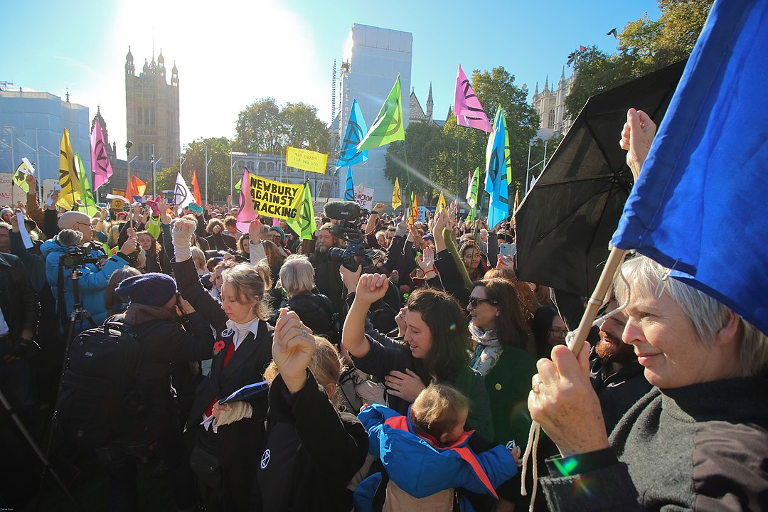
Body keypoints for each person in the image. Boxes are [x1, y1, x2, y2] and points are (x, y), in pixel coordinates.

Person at [529, 255, 768, 511]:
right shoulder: (671, 394)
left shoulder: (736, 469)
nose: (630, 335)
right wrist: (573, 455)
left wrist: (581, 448)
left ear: (723, 322)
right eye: (628, 316)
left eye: (646, 315)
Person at [171, 218, 273, 511]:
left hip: (241, 438)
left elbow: (275, 392)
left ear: (254, 300)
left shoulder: (269, 339)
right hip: (205, 425)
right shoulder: (225, 323)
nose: (224, 305)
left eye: (232, 300)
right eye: (224, 298)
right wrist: (181, 246)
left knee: (235, 495)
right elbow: (191, 289)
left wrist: (244, 409)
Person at [98, 273, 215, 512]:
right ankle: (187, 504)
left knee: (121, 480)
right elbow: (206, 347)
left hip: (115, 409)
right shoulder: (163, 332)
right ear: (161, 299)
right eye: (174, 294)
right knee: (176, 460)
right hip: (155, 411)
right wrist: (191, 313)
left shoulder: (116, 321)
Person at [343, 276, 494, 439]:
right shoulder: (400, 360)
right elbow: (353, 343)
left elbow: (482, 439)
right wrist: (361, 300)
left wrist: (423, 397)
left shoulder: (469, 380)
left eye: (415, 331)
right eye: (406, 327)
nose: (406, 337)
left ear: (441, 334)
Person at [256, 310, 369, 511]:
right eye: (283, 381)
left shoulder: (348, 429)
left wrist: (298, 380)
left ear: (329, 390)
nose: (288, 390)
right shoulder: (278, 420)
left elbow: (335, 454)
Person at [356, 384, 519, 511]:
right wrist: (507, 458)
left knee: (367, 491)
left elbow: (370, 431)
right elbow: (484, 472)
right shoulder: (453, 464)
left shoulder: (389, 437)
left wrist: (367, 414)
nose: (465, 429)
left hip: (390, 505)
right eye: (462, 426)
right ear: (444, 436)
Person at [468, 279, 537, 448]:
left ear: (498, 308)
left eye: (475, 302)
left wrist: (506, 454)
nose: (469, 308)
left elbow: (525, 421)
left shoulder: (520, 361)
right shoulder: (474, 345)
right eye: (470, 301)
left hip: (496, 455)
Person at [42, 213, 138, 332]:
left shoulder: (91, 249)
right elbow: (88, 283)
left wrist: (108, 263)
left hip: (102, 317)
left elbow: (110, 276)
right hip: (81, 323)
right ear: (77, 227)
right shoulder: (57, 257)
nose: (92, 228)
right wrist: (121, 255)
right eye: (89, 225)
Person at [590, 298, 651, 433]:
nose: (603, 327)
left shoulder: (649, 391)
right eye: (604, 317)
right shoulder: (592, 359)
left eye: (618, 323)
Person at [278, 255, 338, 343]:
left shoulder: (283, 315)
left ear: (282, 283)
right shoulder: (325, 302)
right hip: (326, 351)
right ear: (311, 278)